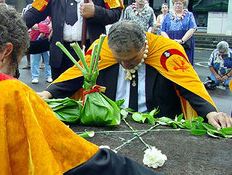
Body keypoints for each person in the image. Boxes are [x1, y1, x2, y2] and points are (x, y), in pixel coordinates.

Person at [0, 2, 232, 175]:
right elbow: (81, 170)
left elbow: (188, 84)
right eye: (14, 71)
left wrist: (207, 111)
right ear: (4, 56)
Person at [39, 21, 232, 129]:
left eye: (131, 59)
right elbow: (76, 76)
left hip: (159, 125)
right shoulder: (103, 49)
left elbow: (189, 86)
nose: (124, 64)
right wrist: (47, 94)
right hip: (112, 123)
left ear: (144, 45)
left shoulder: (167, 51)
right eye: (118, 59)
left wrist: (211, 112)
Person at [23, 0, 123, 80]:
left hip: (91, 54)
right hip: (60, 56)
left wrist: (96, 12)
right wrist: (12, 30)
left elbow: (116, 13)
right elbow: (34, 13)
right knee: (61, 99)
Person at [160, 0, 197, 65]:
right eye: (176, 3)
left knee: (184, 64)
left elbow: (193, 28)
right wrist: (170, 41)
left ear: (183, 5)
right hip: (170, 42)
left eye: (180, 3)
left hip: (185, 43)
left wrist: (182, 41)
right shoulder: (167, 16)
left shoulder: (189, 15)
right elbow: (162, 30)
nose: (178, 5)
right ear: (173, 4)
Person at [30, 16, 53, 84]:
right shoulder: (34, 14)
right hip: (35, 39)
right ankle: (35, 77)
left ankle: (49, 76)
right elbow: (33, 26)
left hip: (47, 39)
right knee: (34, 60)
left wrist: (41, 29)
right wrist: (45, 29)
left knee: (48, 59)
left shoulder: (50, 13)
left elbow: (51, 25)